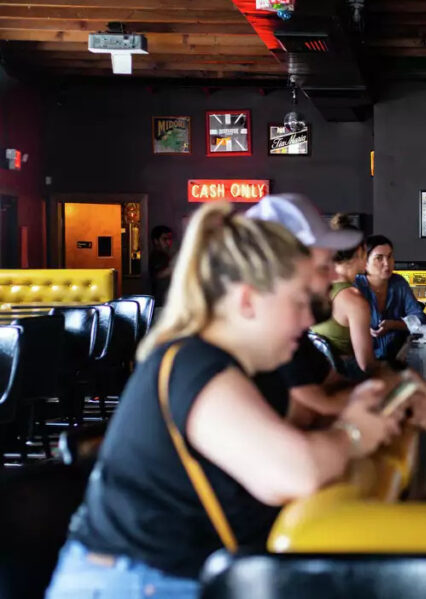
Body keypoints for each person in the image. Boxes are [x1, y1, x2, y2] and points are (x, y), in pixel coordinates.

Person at [46, 202, 402, 599]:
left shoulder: (249, 367)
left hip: (188, 573)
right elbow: (295, 472)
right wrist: (354, 431)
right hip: (139, 583)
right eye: (299, 302)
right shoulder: (195, 363)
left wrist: (388, 403)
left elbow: (305, 428)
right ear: (248, 300)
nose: (307, 320)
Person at [244, 195, 426, 430]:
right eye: (323, 266)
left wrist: (399, 384)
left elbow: (334, 390)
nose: (334, 276)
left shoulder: (293, 334)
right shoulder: (222, 361)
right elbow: (313, 420)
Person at [310, 214, 378, 379]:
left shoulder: (318, 286)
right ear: (360, 251)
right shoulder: (354, 299)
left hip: (317, 379)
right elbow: (366, 364)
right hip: (345, 382)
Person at [355, 235, 426, 361]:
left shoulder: (399, 283)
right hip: (364, 361)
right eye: (379, 258)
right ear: (365, 263)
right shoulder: (356, 286)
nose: (387, 263)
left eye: (389, 257)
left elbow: (421, 318)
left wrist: (394, 325)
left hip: (397, 359)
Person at [149, 225, 174, 306]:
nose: (168, 242)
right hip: (160, 302)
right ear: (156, 241)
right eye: (164, 239)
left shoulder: (166, 255)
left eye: (170, 239)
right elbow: (157, 275)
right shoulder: (156, 256)